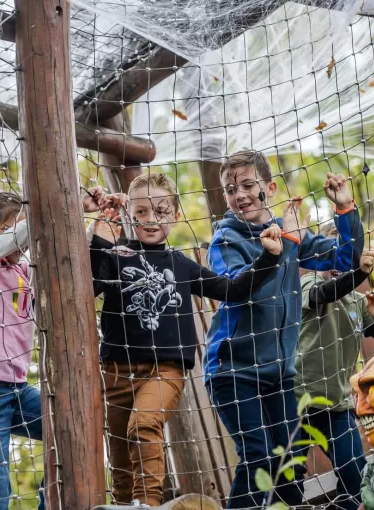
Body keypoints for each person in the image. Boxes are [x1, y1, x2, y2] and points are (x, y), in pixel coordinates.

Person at [88, 172, 284, 507]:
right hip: (116, 371)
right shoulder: (115, 255)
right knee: (120, 455)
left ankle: (147, 503)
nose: (151, 220)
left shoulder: (180, 265)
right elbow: (89, 287)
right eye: (142, 213)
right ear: (130, 215)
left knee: (144, 423)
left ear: (176, 216)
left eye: (161, 211)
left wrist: (268, 257)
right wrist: (101, 237)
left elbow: (231, 289)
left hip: (165, 369)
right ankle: (123, 504)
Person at [203, 150, 363, 508]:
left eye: (247, 185)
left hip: (279, 374)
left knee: (289, 464)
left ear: (269, 188)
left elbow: (345, 260)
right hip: (234, 370)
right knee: (258, 455)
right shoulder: (226, 241)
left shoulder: (290, 234)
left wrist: (345, 210)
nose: (239, 194)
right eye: (230, 189)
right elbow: (240, 286)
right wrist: (284, 246)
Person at [0, 187, 122, 510]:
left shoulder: (21, 271)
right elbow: (25, 232)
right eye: (11, 229)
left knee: (72, 428)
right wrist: (54, 203)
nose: (22, 242)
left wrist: (90, 218)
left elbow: (63, 252)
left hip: (14, 392)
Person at [295, 223, 374, 510]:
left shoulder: (357, 302)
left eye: (347, 257)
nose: (339, 264)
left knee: (357, 477)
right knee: (290, 478)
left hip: (337, 405)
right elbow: (323, 295)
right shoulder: (310, 285)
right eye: (333, 257)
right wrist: (358, 275)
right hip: (297, 401)